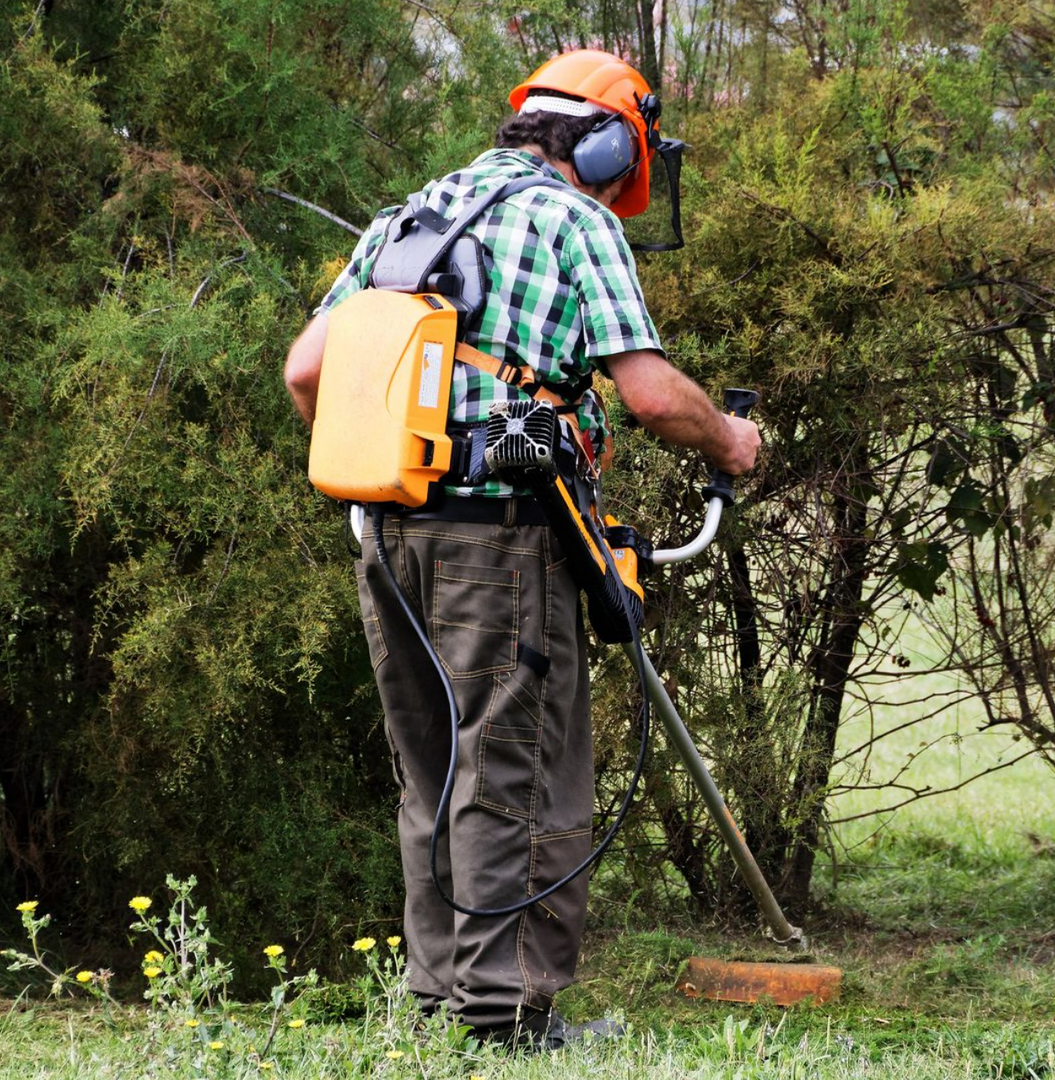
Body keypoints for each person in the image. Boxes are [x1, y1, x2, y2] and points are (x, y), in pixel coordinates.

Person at [282, 49, 759, 1049]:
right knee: (515, 776)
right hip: (497, 545)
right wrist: (731, 440)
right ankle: (503, 1021)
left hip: (390, 534)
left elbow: (305, 372)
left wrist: (401, 463)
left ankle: (435, 1002)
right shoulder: (570, 220)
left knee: (434, 778)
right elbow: (650, 394)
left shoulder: (414, 213)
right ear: (603, 142)